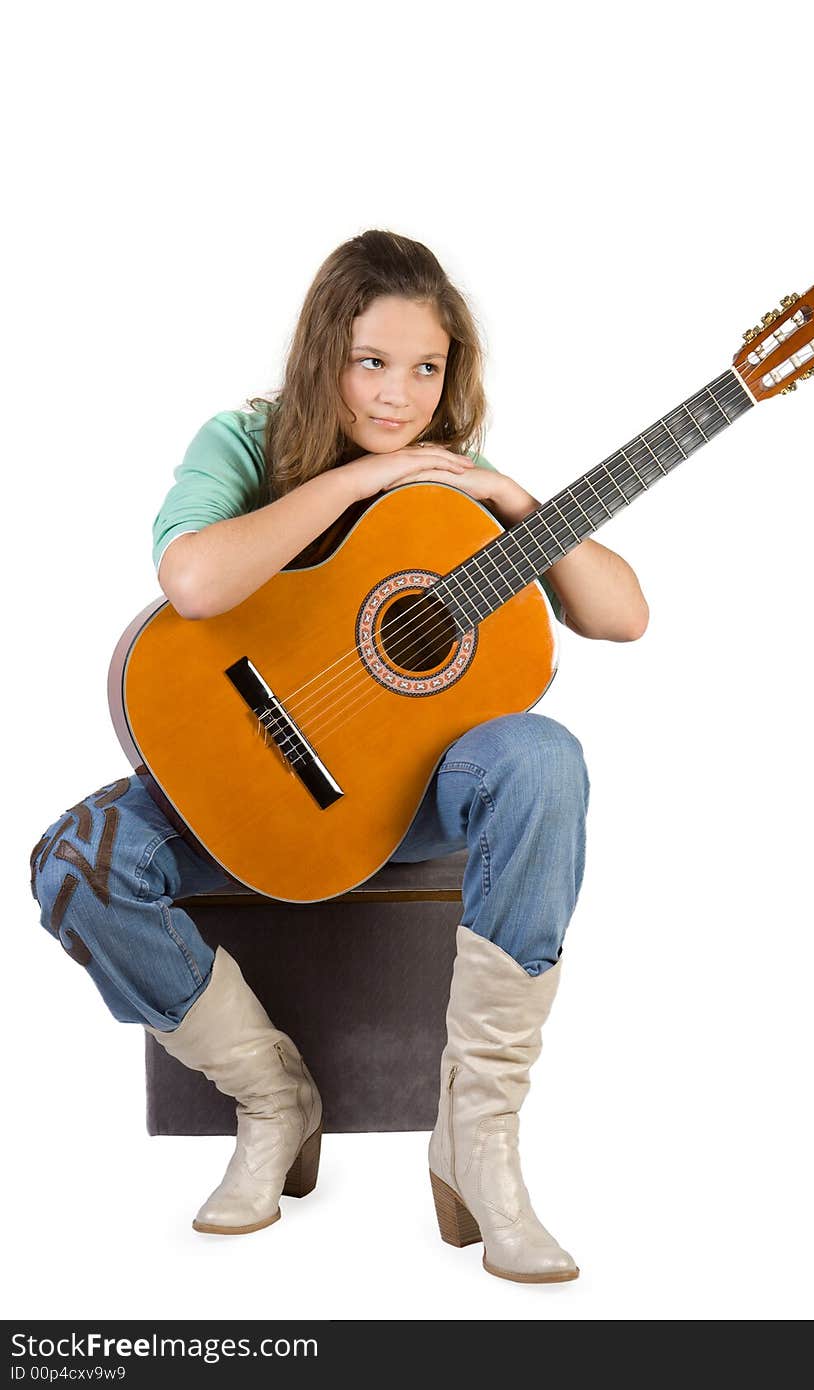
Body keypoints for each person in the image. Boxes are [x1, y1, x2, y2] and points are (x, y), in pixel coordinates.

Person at [29, 229, 649, 1284]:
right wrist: (366, 484)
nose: (398, 397)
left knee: (543, 754)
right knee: (73, 863)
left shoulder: (458, 482)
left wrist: (514, 505)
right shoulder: (244, 439)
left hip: (409, 796)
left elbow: (622, 614)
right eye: (372, 362)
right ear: (325, 353)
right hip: (242, 785)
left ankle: (477, 1140)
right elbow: (192, 582)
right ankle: (274, 1099)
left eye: (426, 367)